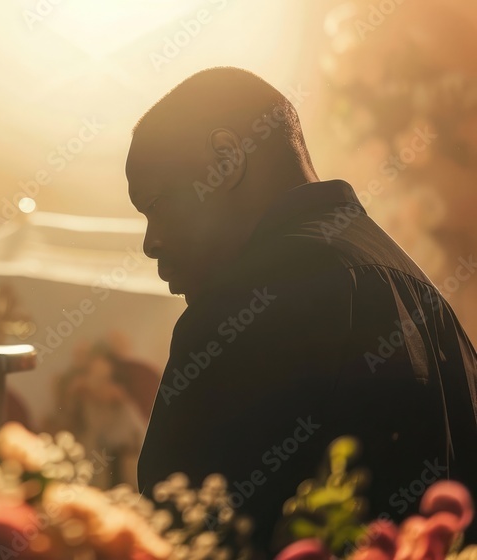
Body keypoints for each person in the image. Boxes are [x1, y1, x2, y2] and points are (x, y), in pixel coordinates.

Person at [127, 67, 477, 553]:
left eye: (158, 204)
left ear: (227, 159)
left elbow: (175, 535)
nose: (151, 242)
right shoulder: (421, 291)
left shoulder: (251, 298)